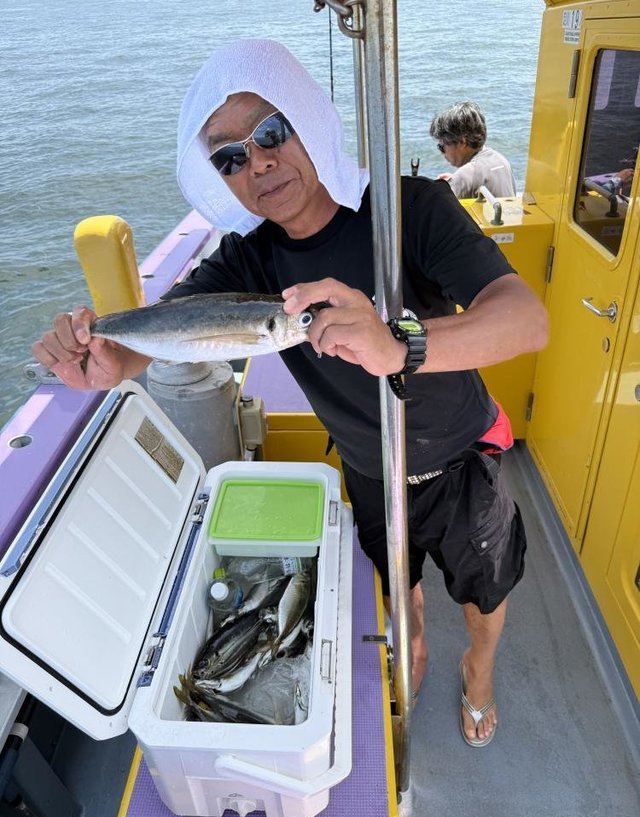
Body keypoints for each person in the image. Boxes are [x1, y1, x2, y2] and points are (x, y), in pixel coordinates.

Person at [32, 39, 548, 747]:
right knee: (399, 588)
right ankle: (416, 648)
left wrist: (400, 344)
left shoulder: (409, 209)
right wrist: (107, 359)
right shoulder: (249, 259)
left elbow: (525, 318)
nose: (258, 162)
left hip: (459, 458)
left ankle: (479, 673)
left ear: (307, 117)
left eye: (270, 131)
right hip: (369, 469)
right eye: (229, 157)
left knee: (485, 594)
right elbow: (167, 330)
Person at [429, 101, 517, 199]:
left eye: (442, 147)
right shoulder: (500, 160)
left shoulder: (465, 176)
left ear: (462, 142)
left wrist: (457, 181)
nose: (442, 153)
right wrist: (455, 180)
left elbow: (436, 204)